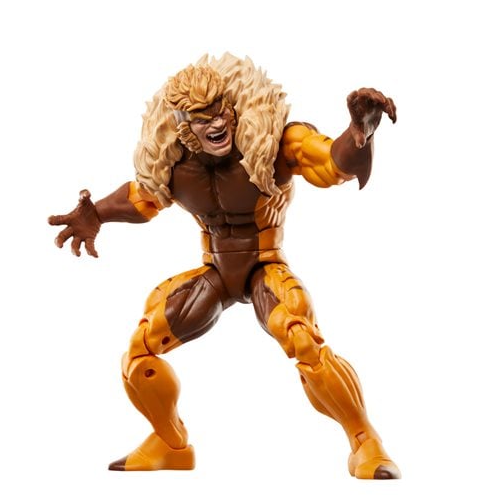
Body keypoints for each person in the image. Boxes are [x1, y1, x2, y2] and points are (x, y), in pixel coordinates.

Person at [49, 53, 400, 479]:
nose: (216, 124)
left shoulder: (271, 143)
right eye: (201, 119)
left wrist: (358, 133)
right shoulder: (175, 163)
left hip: (264, 264)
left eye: (220, 112)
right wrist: (96, 214)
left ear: (232, 108)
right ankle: (170, 443)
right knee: (140, 349)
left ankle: (365, 441)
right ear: (184, 127)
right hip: (215, 271)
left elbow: (328, 163)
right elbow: (141, 198)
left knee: (302, 338)